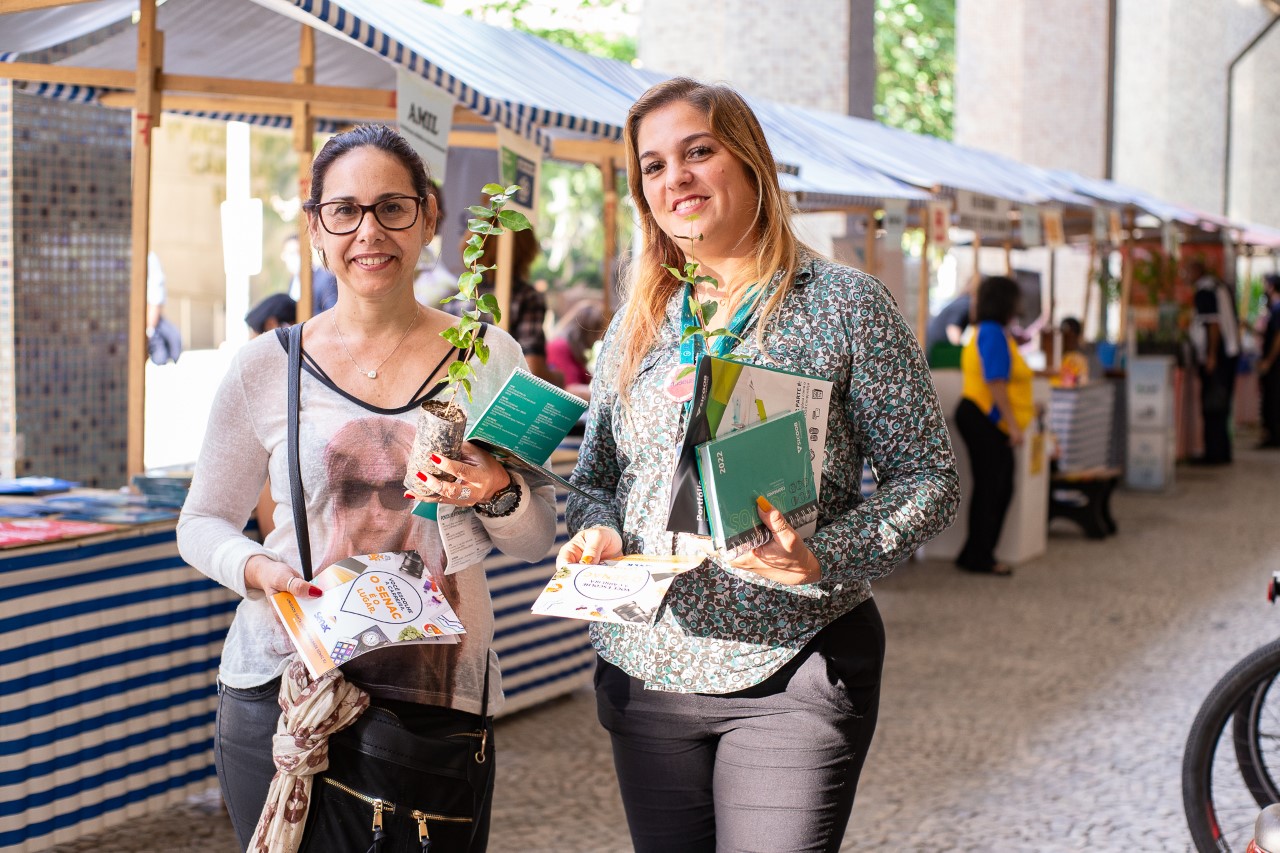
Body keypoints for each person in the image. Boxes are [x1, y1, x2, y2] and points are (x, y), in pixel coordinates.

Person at [559, 78, 959, 852]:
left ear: (749, 162)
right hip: (648, 668)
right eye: (652, 165)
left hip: (794, 667)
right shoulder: (637, 321)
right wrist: (600, 532)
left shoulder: (845, 304)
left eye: (697, 152)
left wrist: (822, 557)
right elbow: (597, 476)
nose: (674, 176)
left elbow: (927, 477)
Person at [177, 124, 557, 852]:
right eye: (344, 210)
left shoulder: (487, 356)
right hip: (286, 690)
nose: (368, 231)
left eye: (392, 207)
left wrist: (494, 489)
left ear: (429, 219)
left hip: (438, 702)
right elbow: (202, 522)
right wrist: (257, 570)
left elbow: (537, 539)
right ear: (316, 226)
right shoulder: (267, 366)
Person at [954, 275, 1032, 578]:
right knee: (994, 489)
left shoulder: (989, 332)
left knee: (994, 488)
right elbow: (996, 382)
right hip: (985, 419)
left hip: (981, 417)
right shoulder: (992, 333)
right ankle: (980, 556)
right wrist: (1013, 426)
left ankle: (976, 553)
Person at [447, 224, 563, 387]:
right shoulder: (527, 297)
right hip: (501, 399)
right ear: (527, 251)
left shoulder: (459, 295)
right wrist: (559, 378)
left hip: (456, 394)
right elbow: (532, 370)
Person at [1187, 258, 1241, 464]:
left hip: (1218, 356)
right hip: (1227, 353)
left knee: (1213, 405)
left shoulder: (1206, 290)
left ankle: (1214, 453)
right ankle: (1221, 451)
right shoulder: (1218, 286)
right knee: (1220, 405)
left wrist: (1211, 356)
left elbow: (1213, 324)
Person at [546, 298, 606, 399]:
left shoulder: (574, 350)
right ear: (586, 330)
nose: (598, 338)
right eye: (597, 333)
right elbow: (568, 389)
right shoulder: (559, 347)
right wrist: (605, 397)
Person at [283, 233, 339, 315]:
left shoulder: (324, 279)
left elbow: (333, 315)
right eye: (290, 253)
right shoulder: (293, 281)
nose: (294, 257)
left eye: (297, 252)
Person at [1258, 273, 1280, 449]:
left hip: (1275, 364)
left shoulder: (1278, 307)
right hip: (1273, 362)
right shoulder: (1274, 308)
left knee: (1273, 399)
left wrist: (1269, 360)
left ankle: (1274, 436)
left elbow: (1278, 337)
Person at [925, 288, 973, 354]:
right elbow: (953, 329)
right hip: (936, 348)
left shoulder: (963, 301)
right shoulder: (965, 304)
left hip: (934, 344)